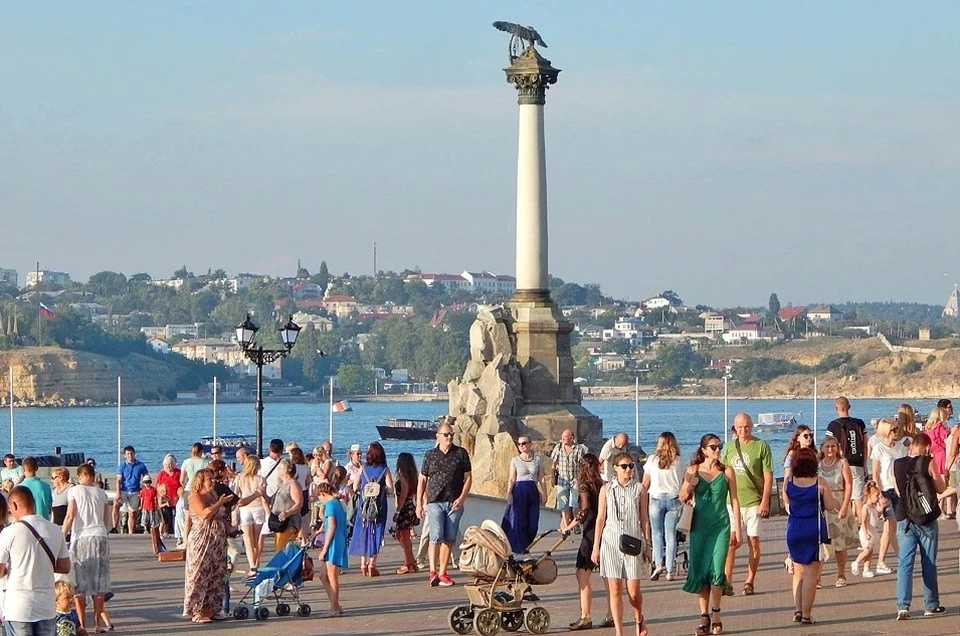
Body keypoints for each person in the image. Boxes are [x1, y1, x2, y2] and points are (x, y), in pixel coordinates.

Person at [681, 434, 741, 636]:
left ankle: (716, 613)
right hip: (699, 527)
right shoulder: (693, 470)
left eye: (719, 446)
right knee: (701, 572)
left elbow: (734, 500)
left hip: (720, 526)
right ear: (704, 450)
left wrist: (737, 528)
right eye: (713, 447)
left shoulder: (727, 472)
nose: (717, 450)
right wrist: (691, 485)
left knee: (717, 570)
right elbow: (682, 496)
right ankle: (703, 615)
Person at [591, 451, 650, 636]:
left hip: (633, 543)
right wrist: (596, 547)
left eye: (631, 466)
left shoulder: (640, 489)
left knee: (633, 592)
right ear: (615, 468)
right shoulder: (606, 489)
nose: (628, 470)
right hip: (610, 542)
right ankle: (619, 631)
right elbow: (600, 518)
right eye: (624, 466)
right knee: (615, 589)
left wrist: (648, 544)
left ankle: (638, 617)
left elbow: (644, 519)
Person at [0, 486, 71, 635]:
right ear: (33, 503)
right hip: (46, 605)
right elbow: (65, 567)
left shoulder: (10, 532)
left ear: (13, 505)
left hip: (18, 606)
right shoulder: (55, 530)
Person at [893, 432, 946, 620]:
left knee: (904, 563)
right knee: (928, 562)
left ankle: (903, 606)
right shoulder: (928, 461)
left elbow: (898, 490)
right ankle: (931, 605)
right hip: (926, 518)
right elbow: (940, 487)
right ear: (926, 446)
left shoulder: (897, 464)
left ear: (912, 445)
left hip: (904, 517)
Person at [782, 448, 836, 625]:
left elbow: (787, 503)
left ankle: (797, 610)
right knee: (811, 575)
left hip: (794, 528)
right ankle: (806, 614)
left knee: (797, 572)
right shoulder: (819, 483)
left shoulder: (788, 482)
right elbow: (829, 506)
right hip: (813, 529)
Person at [721, 413, 772, 597]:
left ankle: (750, 580)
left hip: (753, 502)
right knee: (731, 542)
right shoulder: (727, 447)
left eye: (747, 426)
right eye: (740, 427)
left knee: (753, 542)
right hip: (731, 502)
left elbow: (768, 477)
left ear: (751, 426)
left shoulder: (761, 446)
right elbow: (721, 474)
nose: (744, 430)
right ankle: (727, 579)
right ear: (735, 427)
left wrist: (765, 500)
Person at [417, 422, 472, 588]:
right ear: (438, 436)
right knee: (435, 536)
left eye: (451, 435)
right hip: (434, 501)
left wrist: (462, 498)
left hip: (454, 502)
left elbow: (468, 478)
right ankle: (433, 571)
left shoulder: (460, 454)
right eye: (446, 434)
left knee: (449, 538)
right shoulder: (430, 455)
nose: (449, 437)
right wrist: (419, 503)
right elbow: (422, 479)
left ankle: (442, 572)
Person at [61, 462, 111, 634]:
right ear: (93, 475)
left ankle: (82, 624)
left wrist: (61, 536)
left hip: (81, 537)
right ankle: (97, 623)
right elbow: (108, 521)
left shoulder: (74, 491)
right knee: (99, 584)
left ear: (80, 476)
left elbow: (70, 515)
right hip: (101, 536)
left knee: (80, 584)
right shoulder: (102, 493)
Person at [561, 453, 604, 631]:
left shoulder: (584, 486)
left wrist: (569, 525)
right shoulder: (602, 485)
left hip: (590, 533)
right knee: (608, 578)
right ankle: (610, 614)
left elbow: (584, 509)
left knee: (582, 575)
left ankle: (585, 616)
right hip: (603, 532)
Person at [183, 468, 231, 624]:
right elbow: (204, 514)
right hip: (202, 539)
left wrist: (231, 529)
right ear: (201, 482)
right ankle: (196, 611)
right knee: (199, 574)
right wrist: (220, 503)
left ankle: (211, 610)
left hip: (217, 541)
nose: (212, 481)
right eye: (208, 479)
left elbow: (220, 516)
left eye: (212, 478)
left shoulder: (213, 495)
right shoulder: (195, 497)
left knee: (216, 574)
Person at [642, 432, 684, 581]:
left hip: (656, 498)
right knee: (671, 535)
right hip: (674, 498)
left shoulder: (652, 460)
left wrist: (640, 499)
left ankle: (658, 563)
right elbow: (683, 480)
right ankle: (670, 570)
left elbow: (645, 483)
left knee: (656, 534)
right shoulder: (679, 461)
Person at [349, 442, 393, 576]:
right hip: (379, 506)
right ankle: (372, 565)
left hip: (364, 505)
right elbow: (390, 489)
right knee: (376, 533)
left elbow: (356, 487)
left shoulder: (363, 468)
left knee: (364, 532)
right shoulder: (384, 469)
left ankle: (363, 564)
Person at [818, 436, 856, 587]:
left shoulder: (842, 463)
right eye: (827, 446)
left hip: (839, 503)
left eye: (833, 446)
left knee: (839, 544)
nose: (830, 449)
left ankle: (841, 574)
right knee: (822, 542)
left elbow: (849, 486)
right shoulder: (818, 465)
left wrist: (845, 506)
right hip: (823, 507)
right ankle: (818, 576)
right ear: (822, 448)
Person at [870, 418, 905, 575]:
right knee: (890, 524)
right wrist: (879, 495)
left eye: (897, 429)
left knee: (893, 526)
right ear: (885, 431)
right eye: (893, 430)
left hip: (898, 490)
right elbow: (875, 473)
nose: (896, 432)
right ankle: (883, 561)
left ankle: (898, 558)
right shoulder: (878, 449)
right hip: (885, 490)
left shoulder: (900, 448)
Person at [502, 435, 546, 554]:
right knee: (519, 521)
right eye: (519, 444)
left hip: (532, 490)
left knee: (533, 523)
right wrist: (509, 493)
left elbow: (541, 477)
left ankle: (527, 544)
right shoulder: (515, 460)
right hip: (519, 491)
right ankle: (521, 549)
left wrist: (544, 493)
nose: (521, 446)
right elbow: (511, 479)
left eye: (524, 443)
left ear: (530, 444)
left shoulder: (537, 459)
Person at [825, 397, 868, 509]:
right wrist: (864, 464)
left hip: (841, 465)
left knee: (844, 498)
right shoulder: (859, 423)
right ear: (849, 407)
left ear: (836, 408)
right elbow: (865, 445)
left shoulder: (832, 426)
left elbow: (828, 447)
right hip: (857, 464)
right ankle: (861, 524)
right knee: (858, 498)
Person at [315, 482, 347, 618]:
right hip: (337, 540)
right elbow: (331, 523)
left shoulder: (330, 504)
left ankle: (334, 608)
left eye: (319, 497)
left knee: (332, 576)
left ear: (323, 494)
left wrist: (325, 548)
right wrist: (322, 529)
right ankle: (336, 604)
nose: (319, 500)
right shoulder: (336, 503)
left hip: (334, 542)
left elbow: (332, 526)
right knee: (323, 575)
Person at [233, 455, 268, 572]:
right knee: (256, 540)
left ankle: (252, 565)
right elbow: (264, 497)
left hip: (245, 509)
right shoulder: (261, 479)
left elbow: (236, 495)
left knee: (247, 539)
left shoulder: (240, 478)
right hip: (258, 508)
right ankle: (256, 564)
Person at [550, 429, 586, 529]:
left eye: (565, 437)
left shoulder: (578, 449)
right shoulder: (558, 448)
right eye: (562, 437)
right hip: (562, 480)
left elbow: (582, 465)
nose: (562, 439)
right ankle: (566, 526)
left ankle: (576, 523)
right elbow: (554, 462)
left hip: (575, 479)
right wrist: (553, 476)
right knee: (563, 505)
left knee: (575, 503)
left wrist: (582, 479)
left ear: (571, 438)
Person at [393, 452, 421, 575]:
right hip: (410, 505)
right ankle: (411, 561)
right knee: (402, 535)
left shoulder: (403, 476)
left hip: (404, 507)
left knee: (403, 536)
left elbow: (403, 494)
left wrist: (398, 511)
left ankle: (408, 562)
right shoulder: (413, 475)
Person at [177, 443, 209, 546]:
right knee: (200, 516)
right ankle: (200, 540)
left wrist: (186, 483)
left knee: (187, 517)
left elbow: (181, 479)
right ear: (201, 451)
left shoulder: (186, 462)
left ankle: (185, 541)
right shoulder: (205, 462)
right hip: (200, 490)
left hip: (188, 489)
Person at [113, 446, 149, 535]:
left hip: (135, 491)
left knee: (132, 513)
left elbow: (146, 477)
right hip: (124, 491)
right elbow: (118, 480)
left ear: (134, 453)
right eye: (128, 454)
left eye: (131, 453)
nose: (130, 455)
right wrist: (118, 493)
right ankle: (114, 527)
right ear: (125, 455)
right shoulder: (122, 466)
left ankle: (131, 533)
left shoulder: (141, 465)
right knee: (116, 505)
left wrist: (143, 489)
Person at [257, 438, 284, 555]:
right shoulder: (284, 464)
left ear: (269, 448)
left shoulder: (261, 463)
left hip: (263, 499)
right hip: (280, 500)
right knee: (281, 531)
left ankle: (255, 563)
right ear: (282, 450)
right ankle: (279, 556)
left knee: (261, 535)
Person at [852, 480, 883, 578]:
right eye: (877, 496)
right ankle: (856, 562)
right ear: (869, 496)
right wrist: (866, 533)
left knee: (870, 552)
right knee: (867, 550)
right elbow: (864, 522)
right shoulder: (865, 507)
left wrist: (881, 509)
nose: (878, 498)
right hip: (867, 531)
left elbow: (876, 516)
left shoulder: (873, 506)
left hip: (873, 530)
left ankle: (866, 569)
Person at [270, 459, 303, 552]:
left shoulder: (293, 484)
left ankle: (287, 566)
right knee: (279, 547)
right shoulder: (282, 484)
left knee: (283, 549)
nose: (277, 470)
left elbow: (299, 503)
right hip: (279, 523)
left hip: (289, 522)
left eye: (280, 468)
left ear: (285, 470)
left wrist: (288, 512)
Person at [21, 456, 53, 521]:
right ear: (37, 468)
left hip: (27, 524)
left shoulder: (19, 488)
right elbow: (49, 509)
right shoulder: (46, 486)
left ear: (23, 469)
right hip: (44, 523)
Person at [155, 454, 181, 537]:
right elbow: (157, 486)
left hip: (176, 498)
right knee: (165, 517)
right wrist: (159, 496)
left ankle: (177, 532)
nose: (169, 466)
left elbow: (183, 484)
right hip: (164, 499)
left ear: (174, 464)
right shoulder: (161, 474)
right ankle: (166, 532)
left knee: (177, 516)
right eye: (167, 465)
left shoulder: (178, 472)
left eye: (170, 464)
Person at [289, 447, 311, 542]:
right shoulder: (305, 467)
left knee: (294, 516)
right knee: (304, 518)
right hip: (304, 491)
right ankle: (304, 539)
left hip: (295, 492)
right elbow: (309, 480)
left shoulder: (293, 468)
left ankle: (294, 536)